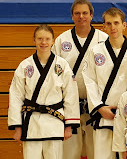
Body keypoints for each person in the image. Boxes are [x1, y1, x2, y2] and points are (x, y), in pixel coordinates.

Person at [8, 24, 80, 159]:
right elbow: (16, 96)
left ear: (53, 41)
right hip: (32, 123)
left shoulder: (62, 65)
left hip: (55, 122)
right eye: (40, 39)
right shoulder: (25, 66)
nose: (44, 42)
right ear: (34, 40)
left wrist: (69, 125)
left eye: (47, 39)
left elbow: (71, 95)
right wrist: (17, 126)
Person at [83, 7, 127, 159]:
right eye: (108, 24)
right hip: (104, 115)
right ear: (104, 26)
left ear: (124, 25)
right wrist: (99, 107)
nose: (112, 27)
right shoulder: (96, 51)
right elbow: (90, 81)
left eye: (116, 23)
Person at [52, 0, 108, 159]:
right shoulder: (62, 40)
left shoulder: (103, 39)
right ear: (72, 16)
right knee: (69, 153)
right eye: (77, 13)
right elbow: (54, 74)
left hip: (96, 107)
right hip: (70, 106)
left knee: (96, 153)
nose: (81, 16)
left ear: (91, 15)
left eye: (85, 13)